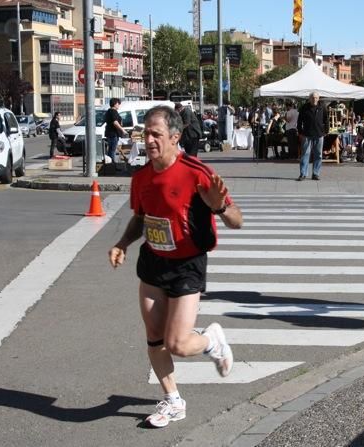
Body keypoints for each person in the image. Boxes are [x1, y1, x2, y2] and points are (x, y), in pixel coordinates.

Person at [108, 105, 243, 428]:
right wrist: (122, 243)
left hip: (187, 264)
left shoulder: (196, 172)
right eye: (145, 132)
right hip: (153, 262)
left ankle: (212, 340)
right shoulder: (141, 177)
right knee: (154, 338)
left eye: (156, 133)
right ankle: (173, 400)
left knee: (178, 344)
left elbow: (237, 220)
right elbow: (140, 218)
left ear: (175, 137)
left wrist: (220, 206)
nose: (149, 139)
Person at [297, 91, 328, 181]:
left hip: (319, 134)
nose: (314, 99)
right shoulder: (304, 108)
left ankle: (316, 174)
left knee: (318, 155)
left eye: (316, 97)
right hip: (306, 134)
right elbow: (299, 121)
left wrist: (326, 130)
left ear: (318, 98)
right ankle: (303, 174)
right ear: (309, 98)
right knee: (305, 154)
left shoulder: (322, 107)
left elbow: (326, 120)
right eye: (313, 97)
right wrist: (300, 131)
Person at [105, 98, 127, 163]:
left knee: (110, 149)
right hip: (113, 133)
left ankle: (109, 163)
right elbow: (115, 122)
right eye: (118, 103)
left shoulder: (109, 111)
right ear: (115, 104)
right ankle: (112, 164)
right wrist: (122, 130)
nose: (119, 105)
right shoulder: (113, 111)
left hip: (110, 133)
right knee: (112, 149)